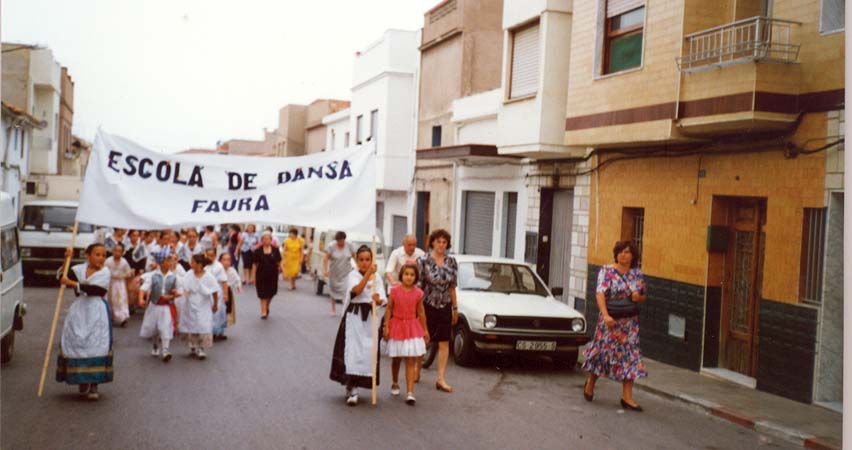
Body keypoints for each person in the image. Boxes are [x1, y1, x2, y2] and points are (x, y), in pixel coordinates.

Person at [582, 240, 648, 411]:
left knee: (630, 356)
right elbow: (600, 294)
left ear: (633, 255)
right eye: (620, 251)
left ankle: (627, 398)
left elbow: (643, 296)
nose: (623, 255)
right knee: (603, 354)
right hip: (610, 320)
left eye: (627, 252)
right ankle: (590, 383)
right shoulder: (607, 271)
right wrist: (605, 315)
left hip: (630, 324)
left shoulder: (637, 274)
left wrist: (637, 298)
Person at [329, 245, 386, 406]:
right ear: (357, 260)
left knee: (367, 353)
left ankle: (360, 383)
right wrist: (368, 274)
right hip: (354, 316)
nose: (364, 263)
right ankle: (351, 387)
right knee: (353, 352)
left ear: (372, 260)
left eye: (368, 260)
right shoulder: (352, 275)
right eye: (361, 260)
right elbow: (357, 290)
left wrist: (378, 299)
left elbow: (382, 298)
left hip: (370, 318)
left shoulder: (378, 278)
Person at [56, 244, 113, 401]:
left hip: (97, 311)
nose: (101, 258)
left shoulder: (105, 272)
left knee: (95, 346)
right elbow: (63, 277)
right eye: (97, 254)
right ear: (88, 255)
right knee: (78, 343)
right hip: (80, 310)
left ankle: (94, 383)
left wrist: (73, 284)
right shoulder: (79, 269)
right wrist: (66, 258)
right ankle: (82, 378)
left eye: (103, 255)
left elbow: (98, 290)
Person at [417, 229, 458, 393]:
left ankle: (441, 378)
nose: (441, 245)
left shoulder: (451, 262)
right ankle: (417, 370)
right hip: (427, 304)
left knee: (444, 342)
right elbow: (418, 286)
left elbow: (452, 287)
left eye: (444, 242)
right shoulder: (423, 260)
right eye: (438, 242)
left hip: (445, 305)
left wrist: (455, 308)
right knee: (423, 340)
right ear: (432, 242)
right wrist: (417, 309)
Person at [383, 264, 429, 405]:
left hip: (412, 327)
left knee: (410, 360)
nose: (409, 277)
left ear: (416, 278)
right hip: (397, 325)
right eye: (406, 274)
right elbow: (389, 308)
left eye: (412, 275)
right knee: (396, 358)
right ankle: (395, 382)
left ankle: (410, 392)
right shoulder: (395, 291)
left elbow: (421, 312)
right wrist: (386, 326)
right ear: (401, 275)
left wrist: (425, 330)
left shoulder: (418, 293)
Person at [138, 253, 180, 363]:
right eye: (167, 261)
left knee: (166, 327)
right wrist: (141, 299)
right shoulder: (152, 276)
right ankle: (155, 344)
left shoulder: (174, 277)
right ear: (161, 263)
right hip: (154, 305)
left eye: (170, 261)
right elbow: (143, 288)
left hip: (166, 306)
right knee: (154, 327)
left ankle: (165, 350)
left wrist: (173, 294)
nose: (170, 263)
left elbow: (180, 292)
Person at [180, 254, 219, 360]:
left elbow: (214, 291)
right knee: (192, 324)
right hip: (190, 303)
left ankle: (201, 347)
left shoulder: (209, 276)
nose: (190, 264)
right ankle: (193, 345)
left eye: (193, 262)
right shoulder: (188, 275)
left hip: (204, 304)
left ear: (200, 264)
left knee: (203, 325)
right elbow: (185, 288)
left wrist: (215, 304)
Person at [323, 231, 356, 316]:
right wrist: (325, 270)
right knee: (333, 290)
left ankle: (344, 309)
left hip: (346, 272)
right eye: (338, 241)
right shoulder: (331, 246)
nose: (339, 242)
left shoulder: (349, 245)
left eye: (341, 241)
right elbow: (325, 258)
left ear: (344, 239)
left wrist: (358, 268)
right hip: (334, 271)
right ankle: (333, 309)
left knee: (345, 290)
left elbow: (355, 256)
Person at [253, 232, 282, 319]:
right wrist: (253, 276)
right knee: (262, 293)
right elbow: (254, 264)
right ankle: (263, 311)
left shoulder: (275, 250)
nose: (266, 240)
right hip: (261, 274)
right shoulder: (258, 251)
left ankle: (267, 306)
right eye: (264, 239)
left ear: (271, 240)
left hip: (273, 274)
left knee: (271, 293)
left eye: (268, 238)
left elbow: (279, 261)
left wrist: (281, 269)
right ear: (262, 240)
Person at [204, 247, 230, 340]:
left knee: (218, 312)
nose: (210, 257)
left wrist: (226, 294)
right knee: (208, 312)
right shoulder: (204, 265)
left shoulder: (218, 266)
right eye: (208, 255)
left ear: (215, 256)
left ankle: (218, 332)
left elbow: (224, 281)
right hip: (206, 293)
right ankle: (210, 331)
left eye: (212, 256)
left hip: (217, 293)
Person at [105, 243, 132, 327]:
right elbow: (104, 270)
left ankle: (122, 318)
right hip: (110, 283)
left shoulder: (124, 262)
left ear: (122, 252)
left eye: (119, 251)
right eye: (115, 251)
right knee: (110, 300)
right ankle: (110, 317)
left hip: (120, 284)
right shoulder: (108, 261)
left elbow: (128, 273)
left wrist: (121, 276)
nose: (117, 253)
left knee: (120, 300)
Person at [220, 253, 242, 327]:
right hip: (219, 291)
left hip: (228, 291)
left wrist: (238, 286)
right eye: (224, 260)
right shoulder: (217, 270)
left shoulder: (232, 270)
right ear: (220, 261)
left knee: (227, 309)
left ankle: (222, 328)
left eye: (228, 260)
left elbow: (237, 278)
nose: (226, 262)